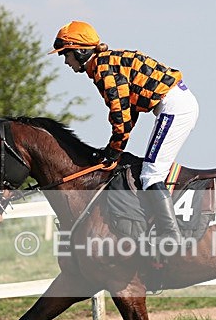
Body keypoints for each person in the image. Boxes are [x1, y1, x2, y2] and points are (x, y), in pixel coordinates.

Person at [49, 20, 199, 245]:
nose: (66, 61)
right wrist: (115, 149)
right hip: (174, 104)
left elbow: (121, 117)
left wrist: (114, 150)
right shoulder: (104, 63)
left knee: (151, 175)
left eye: (66, 55)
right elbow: (128, 112)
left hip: (174, 106)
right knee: (150, 171)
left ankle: (171, 236)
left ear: (80, 51)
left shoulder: (103, 69)